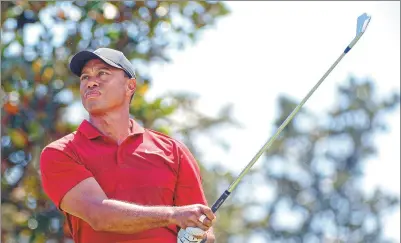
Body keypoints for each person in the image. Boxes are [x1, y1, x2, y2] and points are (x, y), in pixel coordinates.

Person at [39, 48, 216, 243]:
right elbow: (99, 214)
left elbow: (202, 230)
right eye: (84, 77)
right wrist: (172, 215)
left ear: (130, 86)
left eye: (102, 73)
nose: (91, 82)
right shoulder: (61, 153)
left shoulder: (174, 152)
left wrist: (200, 237)